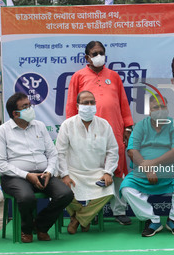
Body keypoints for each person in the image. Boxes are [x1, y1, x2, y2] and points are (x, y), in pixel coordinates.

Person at [66, 41, 134, 225]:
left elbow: (123, 103)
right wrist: (74, 131)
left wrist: (127, 127)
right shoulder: (78, 77)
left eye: (101, 53)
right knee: (89, 168)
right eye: (95, 53)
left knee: (117, 169)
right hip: (87, 132)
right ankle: (91, 211)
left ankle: (119, 210)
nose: (99, 56)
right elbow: (72, 106)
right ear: (87, 57)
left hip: (115, 129)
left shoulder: (114, 76)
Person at [0, 92, 73, 243]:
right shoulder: (2, 131)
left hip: (43, 174)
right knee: (26, 197)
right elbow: (1, 164)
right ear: (15, 113)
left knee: (66, 194)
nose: (30, 108)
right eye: (25, 107)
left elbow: (52, 153)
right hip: (15, 177)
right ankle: (26, 229)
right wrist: (26, 175)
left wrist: (49, 171)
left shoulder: (40, 126)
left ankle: (41, 226)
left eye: (29, 105)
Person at [120, 95, 174, 237]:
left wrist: (152, 165)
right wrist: (147, 168)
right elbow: (132, 150)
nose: (160, 110)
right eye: (156, 107)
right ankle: (152, 220)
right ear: (149, 111)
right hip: (143, 172)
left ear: (167, 109)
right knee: (126, 188)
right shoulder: (141, 125)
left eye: (163, 106)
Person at [57, 91, 119, 234]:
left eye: (92, 102)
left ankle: (78, 219)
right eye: (85, 103)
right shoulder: (67, 125)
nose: (89, 106)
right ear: (78, 106)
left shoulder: (104, 125)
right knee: (61, 190)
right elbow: (60, 152)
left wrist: (108, 172)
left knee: (108, 191)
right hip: (72, 171)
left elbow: (112, 150)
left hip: (96, 173)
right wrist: (64, 174)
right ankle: (86, 218)